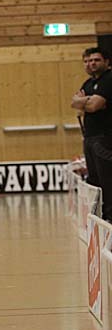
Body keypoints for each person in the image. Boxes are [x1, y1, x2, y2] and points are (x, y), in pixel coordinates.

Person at [71, 48, 112, 222]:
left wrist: (83, 102)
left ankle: (110, 217)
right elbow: (75, 104)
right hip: (90, 137)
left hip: (105, 137)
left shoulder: (109, 79)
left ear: (106, 62)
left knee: (107, 178)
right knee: (94, 179)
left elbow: (94, 106)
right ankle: (101, 218)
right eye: (87, 61)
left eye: (96, 60)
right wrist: (85, 101)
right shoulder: (88, 83)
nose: (91, 64)